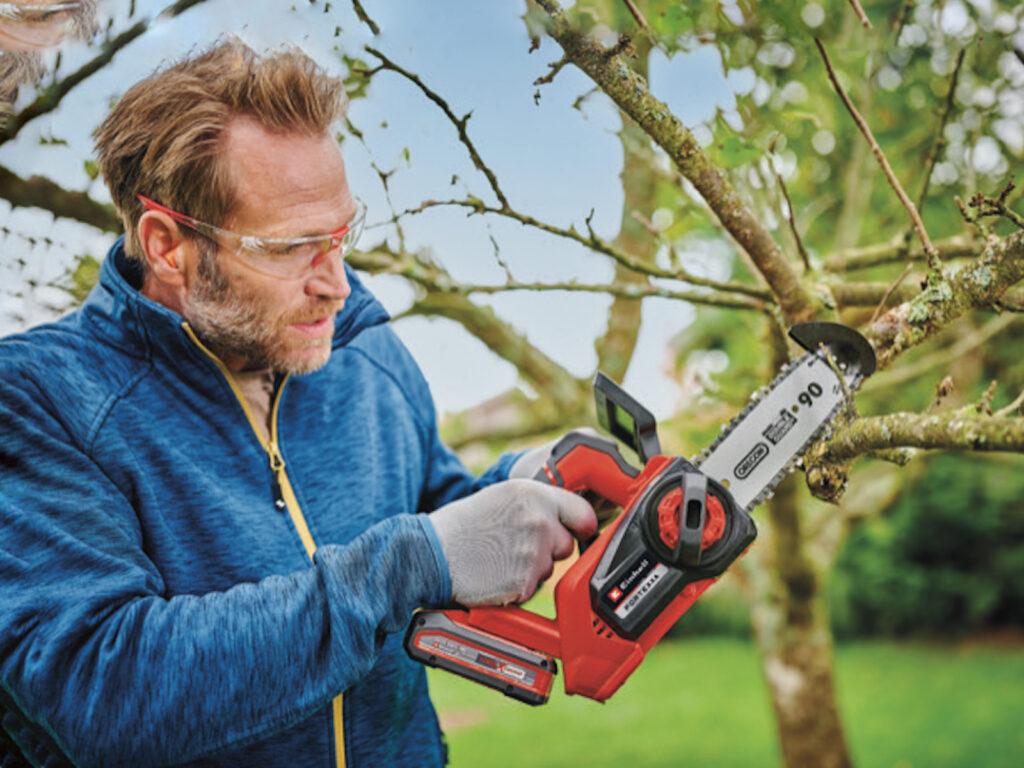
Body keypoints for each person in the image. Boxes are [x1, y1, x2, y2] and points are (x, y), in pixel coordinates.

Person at [0, 39, 596, 767]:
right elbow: (103, 690)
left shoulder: (363, 352)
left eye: (341, 235)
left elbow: (429, 510)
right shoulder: (39, 400)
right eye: (292, 248)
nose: (337, 284)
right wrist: (406, 565)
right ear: (166, 246)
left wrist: (516, 487)